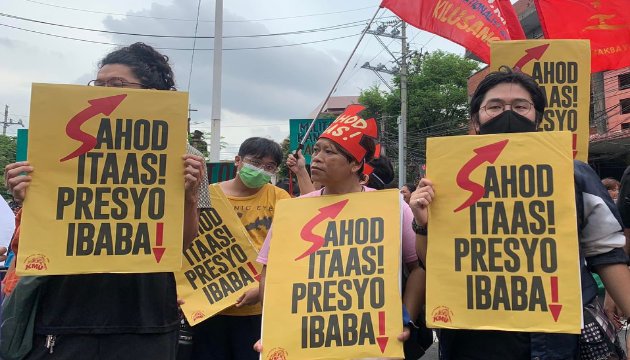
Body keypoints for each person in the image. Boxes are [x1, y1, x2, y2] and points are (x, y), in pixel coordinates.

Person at [3, 42, 211, 360]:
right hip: (66, 313)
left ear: (152, 93)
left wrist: (189, 197)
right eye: (98, 84)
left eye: (116, 85)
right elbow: (38, 238)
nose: (102, 92)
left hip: (145, 318)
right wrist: (25, 199)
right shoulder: (57, 143)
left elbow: (183, 244)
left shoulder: (189, 158)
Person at [412, 66, 630, 359]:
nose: (508, 113)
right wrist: (422, 222)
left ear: (537, 117)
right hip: (471, 337)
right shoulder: (445, 179)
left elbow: (607, 253)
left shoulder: (572, 173)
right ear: (475, 119)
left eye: (520, 106)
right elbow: (432, 264)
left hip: (553, 340)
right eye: (495, 106)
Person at [254, 105, 425, 356]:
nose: (317, 158)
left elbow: (418, 267)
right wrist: (273, 327)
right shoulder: (293, 211)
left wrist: (405, 319)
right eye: (316, 150)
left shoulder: (392, 207)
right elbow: (270, 273)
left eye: (329, 152)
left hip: (371, 342)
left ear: (355, 164)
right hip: (307, 340)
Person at [191, 137, 290, 360]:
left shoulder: (279, 197)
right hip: (209, 307)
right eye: (254, 162)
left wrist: (262, 289)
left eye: (269, 167)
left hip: (258, 310)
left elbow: (287, 252)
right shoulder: (208, 195)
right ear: (238, 161)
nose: (261, 170)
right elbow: (191, 247)